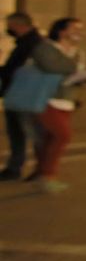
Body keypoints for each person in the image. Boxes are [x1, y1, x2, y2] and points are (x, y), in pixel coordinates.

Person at [26, 18, 86, 193]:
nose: (79, 33)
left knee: (49, 138)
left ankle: (41, 173)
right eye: (75, 29)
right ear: (62, 32)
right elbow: (52, 66)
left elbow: (71, 76)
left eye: (81, 29)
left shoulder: (78, 53)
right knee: (63, 136)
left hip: (66, 100)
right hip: (44, 99)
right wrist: (79, 70)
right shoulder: (45, 48)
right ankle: (48, 176)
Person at [0, 12, 42, 180]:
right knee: (18, 132)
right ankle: (15, 166)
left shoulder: (32, 44)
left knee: (30, 132)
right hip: (19, 93)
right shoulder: (27, 42)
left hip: (25, 94)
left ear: (18, 25)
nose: (8, 29)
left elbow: (17, 69)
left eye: (10, 26)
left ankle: (41, 168)